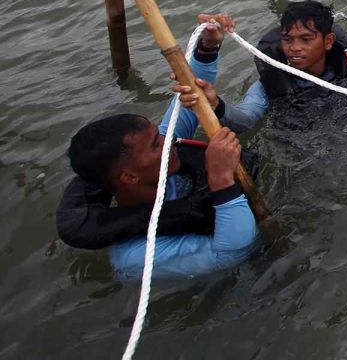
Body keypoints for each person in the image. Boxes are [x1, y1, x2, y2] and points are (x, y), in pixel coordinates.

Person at [59, 107, 257, 280]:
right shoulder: (134, 257)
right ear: (129, 177)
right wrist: (221, 178)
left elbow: (188, 97)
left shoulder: (155, 163)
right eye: (156, 144)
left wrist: (203, 67)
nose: (168, 141)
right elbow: (233, 254)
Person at [175, 4, 347, 132]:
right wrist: (215, 104)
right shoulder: (268, 83)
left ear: (328, 41)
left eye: (306, 39)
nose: (295, 49)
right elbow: (247, 119)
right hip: (300, 144)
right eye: (288, 40)